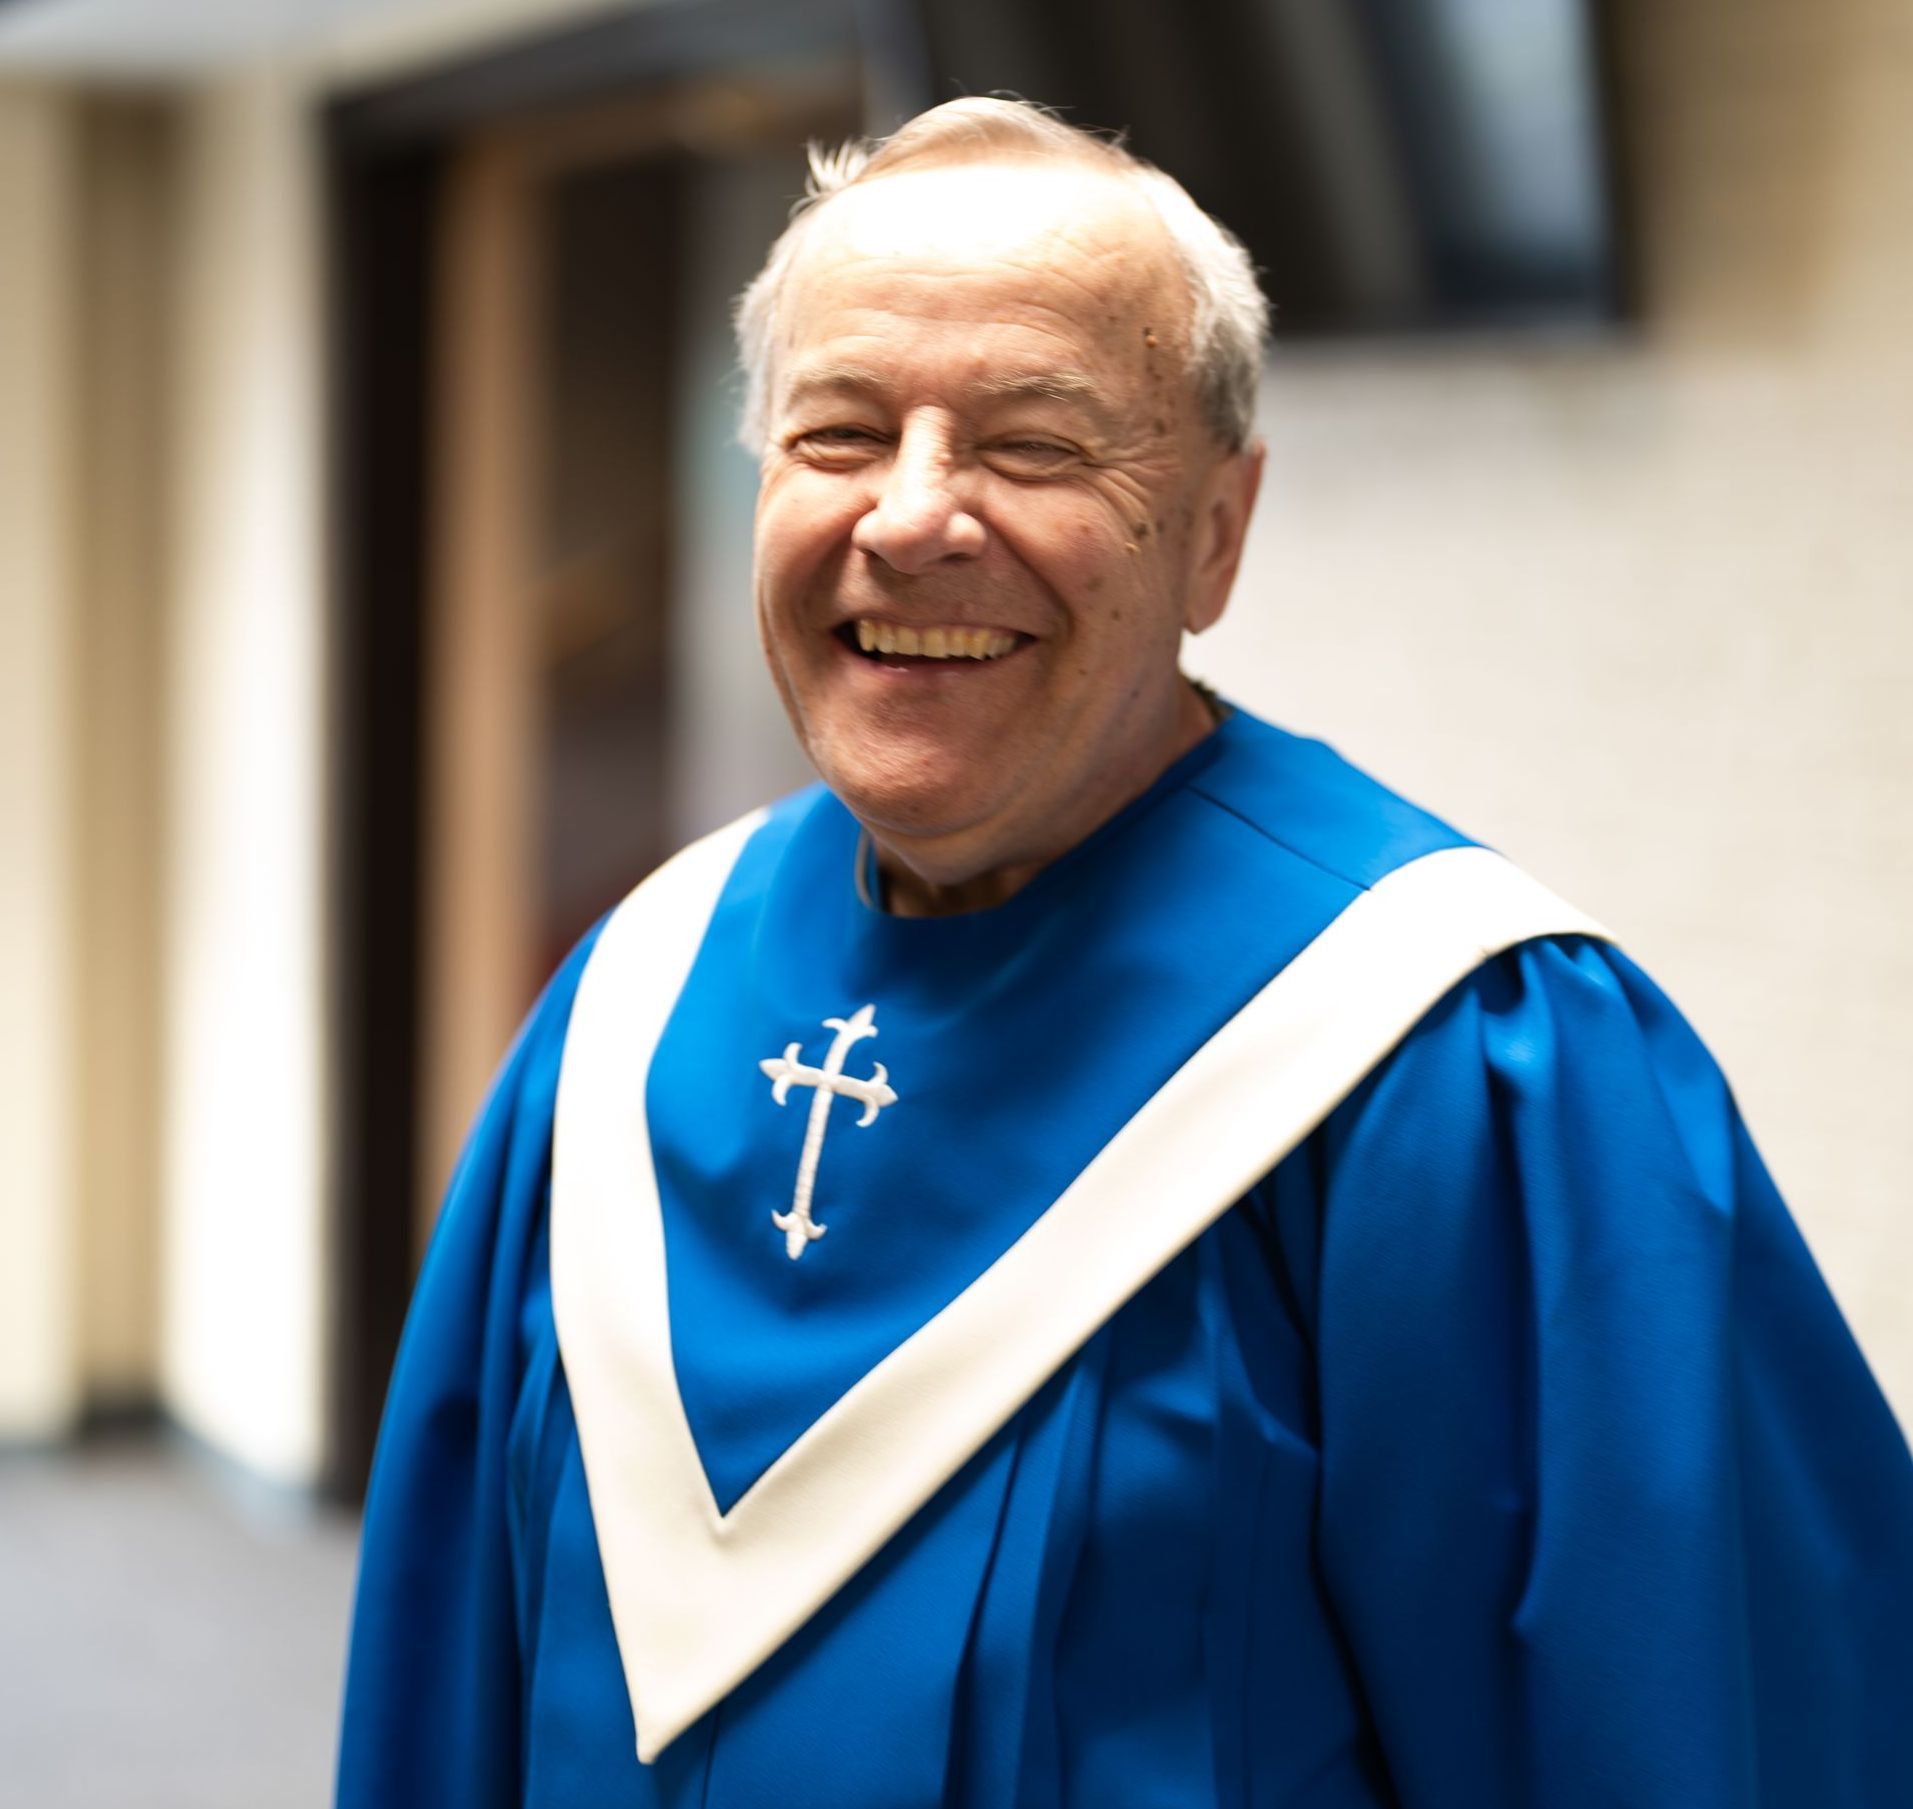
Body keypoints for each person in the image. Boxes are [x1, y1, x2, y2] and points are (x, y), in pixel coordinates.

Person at [336, 98, 1913, 1808]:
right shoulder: (630, 1009)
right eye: (838, 433)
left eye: (1030, 444)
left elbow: (1676, 1738)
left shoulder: (1456, 1061)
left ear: (1216, 533)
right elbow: (448, 1701)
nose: (910, 516)